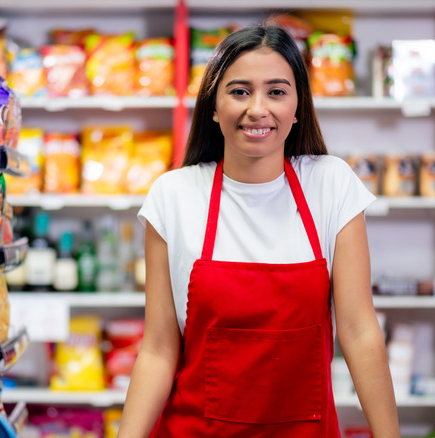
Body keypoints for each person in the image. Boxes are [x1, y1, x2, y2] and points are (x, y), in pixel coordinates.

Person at [117, 25, 400, 437]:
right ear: (213, 106)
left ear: (298, 105)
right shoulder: (174, 195)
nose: (258, 108)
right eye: (240, 91)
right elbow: (160, 349)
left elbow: (359, 331)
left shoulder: (330, 185)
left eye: (277, 91)